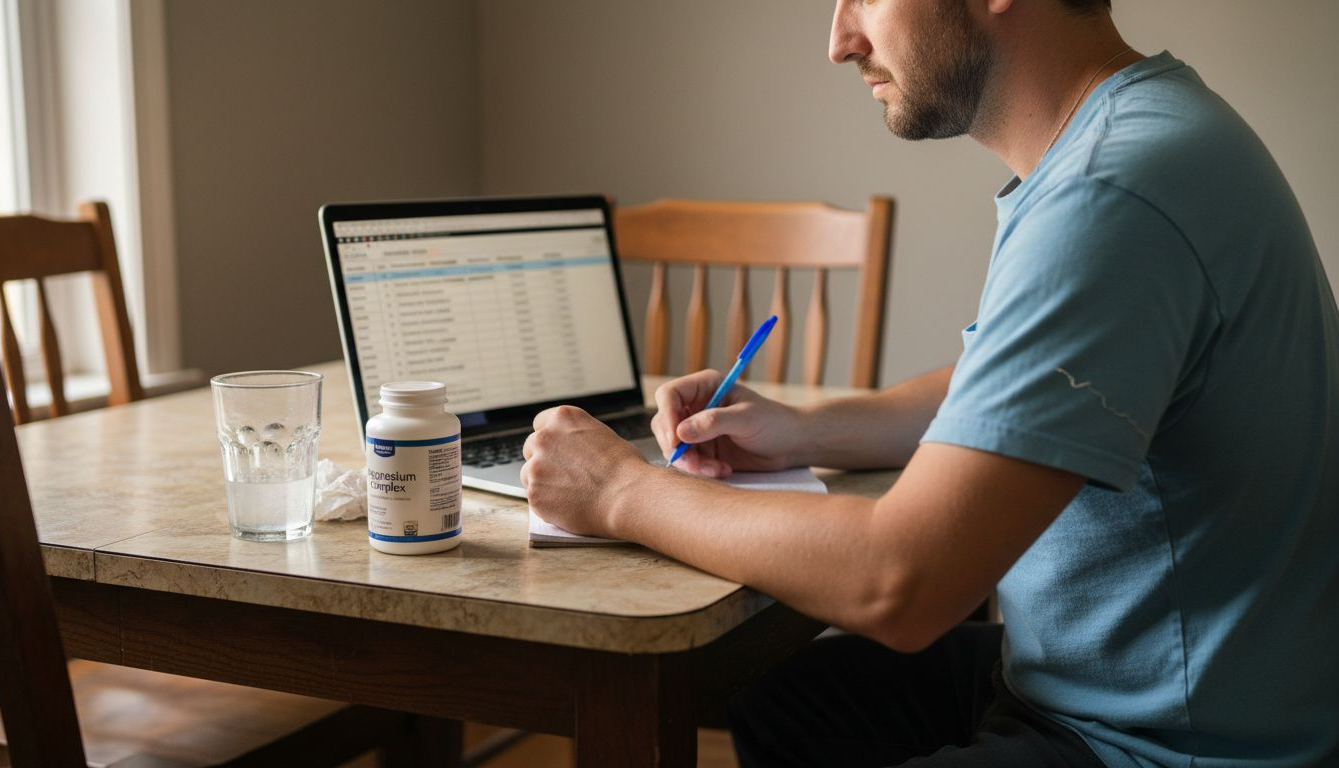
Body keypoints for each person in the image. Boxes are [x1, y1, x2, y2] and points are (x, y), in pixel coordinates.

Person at [521, 0, 1339, 765]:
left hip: (1166, 740)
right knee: (790, 703)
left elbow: (901, 583)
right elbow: (1016, 385)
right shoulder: (1151, 131)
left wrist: (622, 490)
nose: (840, 39)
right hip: (1140, 679)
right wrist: (809, 431)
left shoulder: (1110, 192)